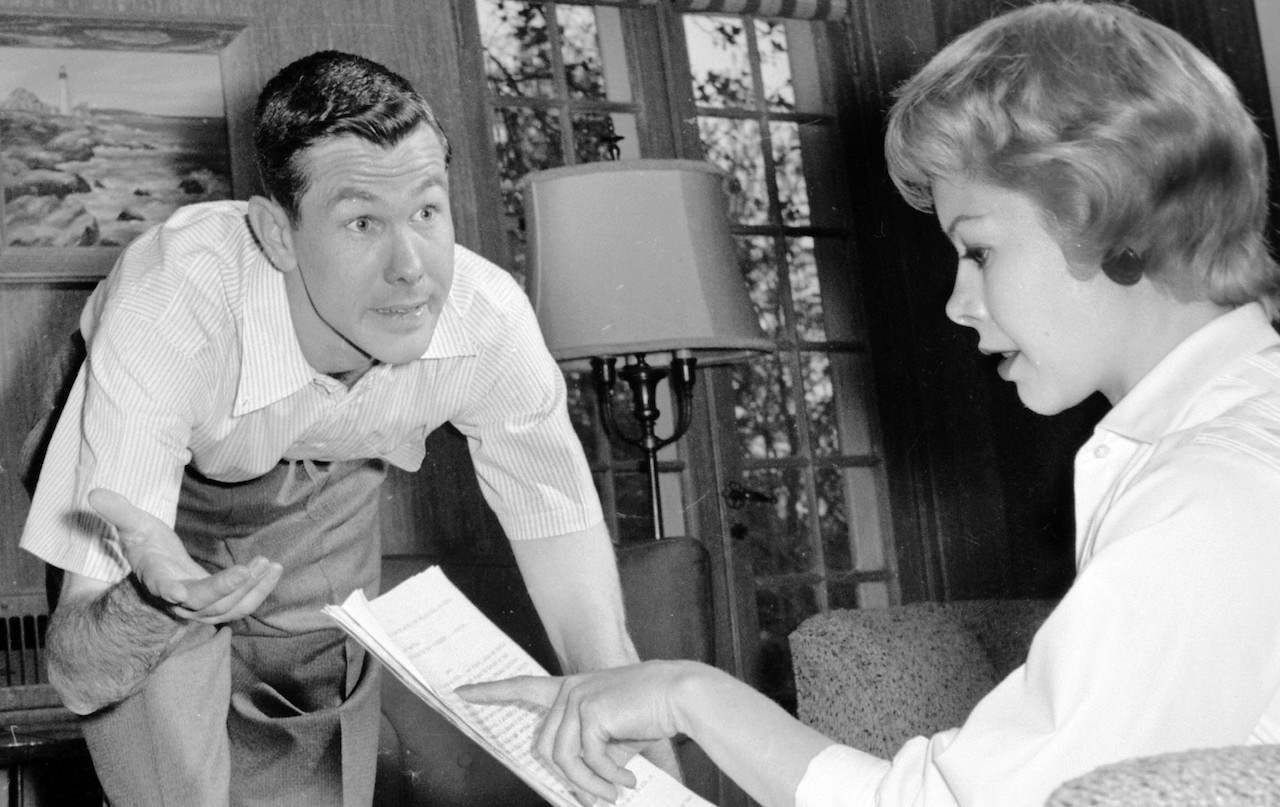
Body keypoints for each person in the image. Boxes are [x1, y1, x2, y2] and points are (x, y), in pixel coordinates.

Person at [458, 2, 1280, 805]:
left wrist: (683, 691)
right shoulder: (1223, 442)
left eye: (979, 249)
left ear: (1107, 213)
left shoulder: (1209, 493)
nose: (958, 302)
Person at [21, 50, 670, 806]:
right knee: (175, 789)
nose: (411, 270)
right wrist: (152, 606)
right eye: (362, 220)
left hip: (332, 471)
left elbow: (597, 639)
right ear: (277, 232)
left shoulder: (487, 322)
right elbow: (76, 670)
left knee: (312, 783)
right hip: (165, 484)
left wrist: (651, 771)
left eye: (426, 212)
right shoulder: (172, 308)